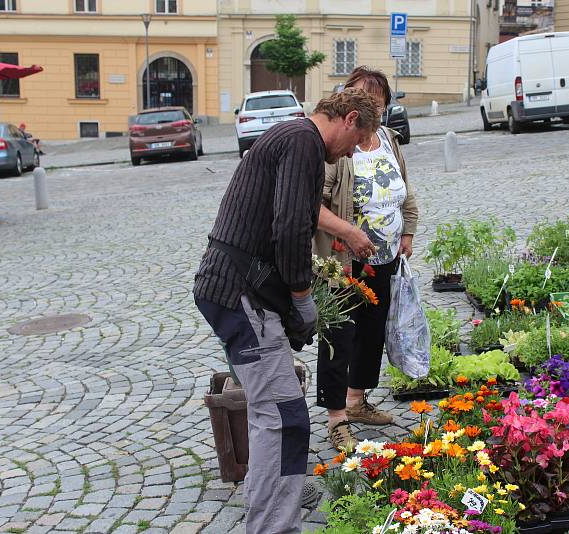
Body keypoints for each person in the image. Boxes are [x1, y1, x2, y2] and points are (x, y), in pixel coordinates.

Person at [193, 88, 380, 534]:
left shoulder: (291, 135)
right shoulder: (303, 142)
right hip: (240, 293)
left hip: (234, 290)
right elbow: (292, 225)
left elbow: (289, 219)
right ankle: (273, 526)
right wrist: (301, 298)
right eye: (354, 144)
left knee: (274, 415)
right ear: (349, 118)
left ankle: (278, 507)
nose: (348, 154)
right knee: (282, 417)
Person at [313, 66, 419, 451]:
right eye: (360, 98)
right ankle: (336, 416)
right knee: (339, 334)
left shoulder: (390, 139)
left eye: (377, 101)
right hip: (343, 261)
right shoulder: (336, 147)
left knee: (373, 330)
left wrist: (407, 230)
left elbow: (405, 190)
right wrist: (346, 234)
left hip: (385, 256)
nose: (368, 107)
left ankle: (357, 401)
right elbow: (315, 204)